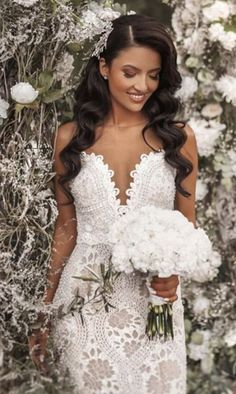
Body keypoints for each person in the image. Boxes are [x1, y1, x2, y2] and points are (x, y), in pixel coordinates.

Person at [28, 13, 198, 394]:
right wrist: (44, 312)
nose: (143, 86)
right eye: (131, 72)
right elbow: (66, 229)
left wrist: (174, 273)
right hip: (84, 302)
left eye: (153, 75)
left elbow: (188, 225)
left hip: (155, 303)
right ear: (104, 67)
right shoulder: (69, 138)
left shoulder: (179, 138)